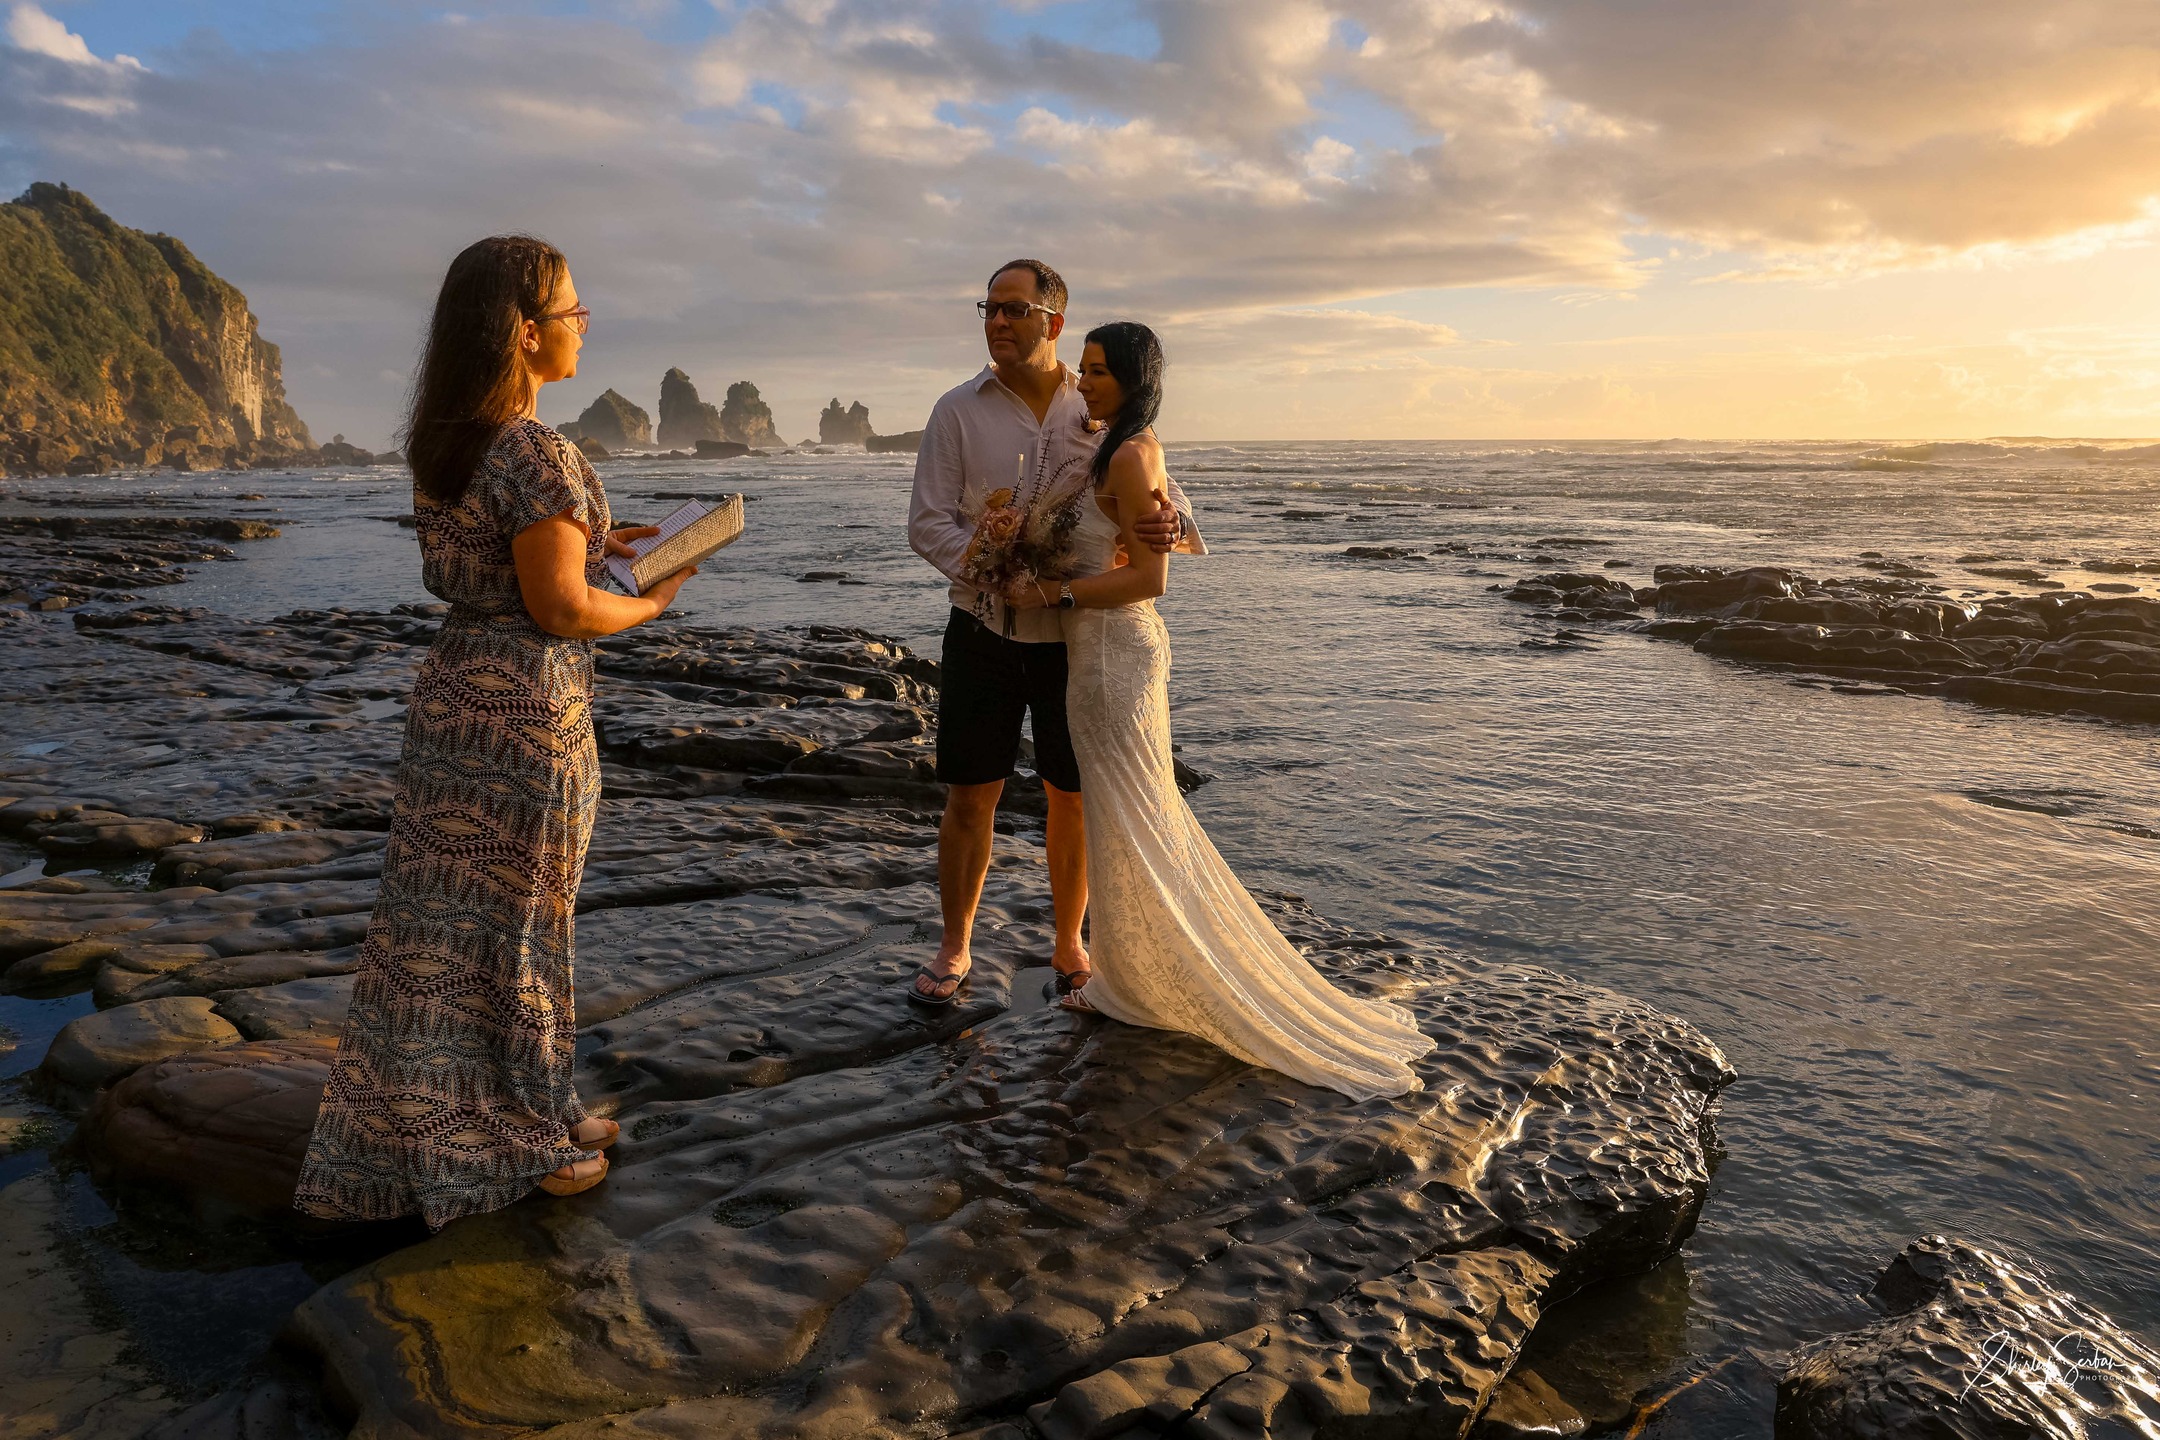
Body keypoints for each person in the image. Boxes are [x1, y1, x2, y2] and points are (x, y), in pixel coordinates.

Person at [294, 236, 697, 1228]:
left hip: (454, 705)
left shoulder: (453, 441)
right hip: (524, 712)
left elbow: (500, 559)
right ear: (526, 333)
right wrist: (652, 601)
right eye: (571, 311)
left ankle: (521, 1105)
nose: (581, 326)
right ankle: (517, 1135)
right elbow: (560, 608)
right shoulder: (533, 451)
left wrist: (602, 539)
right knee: (519, 929)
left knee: (439, 933)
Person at [1005, 321, 1434, 1101]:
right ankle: (1131, 971)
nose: (1087, 381)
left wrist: (1050, 591)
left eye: (1100, 371)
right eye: (1086, 369)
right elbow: (1141, 534)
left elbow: (1150, 580)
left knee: (1131, 812)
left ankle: (1137, 981)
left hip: (1110, 652)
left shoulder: (1132, 454)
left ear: (1134, 378)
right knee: (1127, 812)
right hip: (1101, 654)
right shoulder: (1119, 446)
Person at [906, 259, 1202, 1007]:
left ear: (1053, 322)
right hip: (983, 628)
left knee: (1071, 796)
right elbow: (927, 521)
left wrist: (1173, 521)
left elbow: (1153, 488)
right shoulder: (956, 410)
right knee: (973, 792)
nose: (997, 322)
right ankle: (954, 947)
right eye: (989, 309)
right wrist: (989, 567)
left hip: (1079, 644)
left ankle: (1071, 942)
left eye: (1014, 309)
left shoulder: (1096, 403)